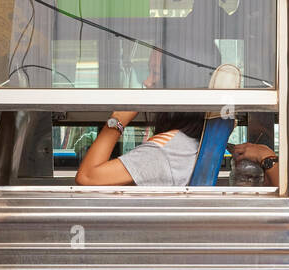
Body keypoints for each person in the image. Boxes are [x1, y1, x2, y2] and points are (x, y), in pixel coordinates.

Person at [74, 46, 207, 186]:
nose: (147, 82)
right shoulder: (187, 142)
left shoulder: (165, 150)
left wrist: (117, 121)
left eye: (155, 73)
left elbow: (87, 177)